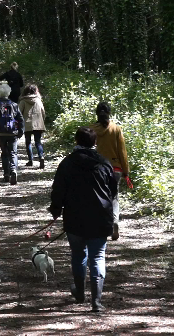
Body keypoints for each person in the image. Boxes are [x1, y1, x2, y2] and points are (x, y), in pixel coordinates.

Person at [49, 127, 117, 312]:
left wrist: (56, 209)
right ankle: (96, 301)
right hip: (100, 218)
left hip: (75, 218)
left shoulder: (67, 163)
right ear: (95, 143)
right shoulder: (104, 163)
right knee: (97, 256)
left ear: (76, 141)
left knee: (78, 255)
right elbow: (113, 192)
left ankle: (80, 293)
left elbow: (58, 191)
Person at [89, 102, 129, 241]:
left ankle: (101, 225)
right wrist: (126, 170)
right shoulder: (116, 129)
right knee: (114, 197)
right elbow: (122, 151)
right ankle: (114, 222)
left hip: (98, 169)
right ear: (109, 113)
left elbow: (88, 150)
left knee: (98, 197)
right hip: (115, 168)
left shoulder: (91, 130)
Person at [0, 84, 24, 185]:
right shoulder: (14, 105)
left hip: (1, 133)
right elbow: (20, 119)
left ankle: (6, 175)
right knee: (13, 153)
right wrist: (21, 132)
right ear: (9, 93)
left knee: (4, 153)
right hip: (13, 133)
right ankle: (13, 170)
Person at [18, 84, 46, 169]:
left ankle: (30, 160)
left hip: (27, 124)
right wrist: (42, 121)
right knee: (38, 142)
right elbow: (43, 112)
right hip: (38, 124)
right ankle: (41, 156)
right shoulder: (38, 101)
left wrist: (20, 123)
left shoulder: (23, 101)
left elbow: (18, 112)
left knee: (28, 142)